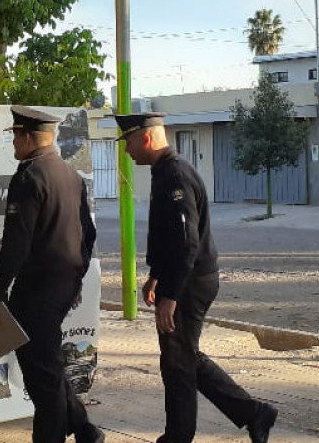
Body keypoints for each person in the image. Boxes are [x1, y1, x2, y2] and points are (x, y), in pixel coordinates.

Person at [114, 112, 278, 443]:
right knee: (183, 356)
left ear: (145, 138)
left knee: (176, 364)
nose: (127, 150)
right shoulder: (165, 172)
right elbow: (169, 239)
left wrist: (170, 297)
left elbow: (186, 243)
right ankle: (253, 413)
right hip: (181, 278)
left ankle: (178, 437)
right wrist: (155, 277)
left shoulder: (175, 177)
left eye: (129, 141)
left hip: (189, 282)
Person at [0, 105, 102, 443]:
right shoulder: (71, 176)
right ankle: (86, 430)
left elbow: (19, 243)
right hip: (60, 290)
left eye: (16, 136)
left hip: (36, 295)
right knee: (47, 365)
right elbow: (86, 235)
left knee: (43, 380)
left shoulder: (29, 176)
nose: (14, 144)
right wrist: (74, 280)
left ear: (30, 137)